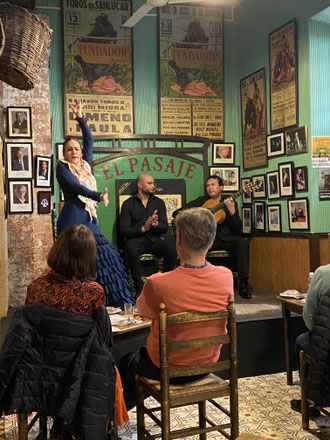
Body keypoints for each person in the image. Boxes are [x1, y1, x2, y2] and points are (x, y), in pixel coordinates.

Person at [118, 207, 233, 411]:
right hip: (206, 365)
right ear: (212, 241)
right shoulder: (226, 277)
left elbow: (143, 311)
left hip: (163, 368)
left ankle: (112, 423)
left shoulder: (158, 283)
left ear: (178, 239)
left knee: (128, 363)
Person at [25, 224, 109, 439]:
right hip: (77, 378)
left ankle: (59, 428)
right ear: (88, 256)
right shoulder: (93, 293)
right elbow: (101, 343)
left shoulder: (35, 287)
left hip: (38, 375)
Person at [56, 99, 133, 308]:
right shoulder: (62, 168)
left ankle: (107, 305)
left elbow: (89, 140)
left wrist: (80, 118)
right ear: (64, 154)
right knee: (74, 265)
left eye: (76, 149)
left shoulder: (85, 164)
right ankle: (76, 306)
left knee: (107, 256)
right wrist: (98, 195)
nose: (74, 152)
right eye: (69, 149)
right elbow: (74, 188)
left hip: (89, 219)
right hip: (72, 219)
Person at [173, 175, 251, 299]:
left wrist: (232, 212)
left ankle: (243, 283)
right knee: (192, 245)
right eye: (208, 185)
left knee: (242, 243)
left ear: (221, 187)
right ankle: (192, 281)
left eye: (213, 185)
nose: (209, 188)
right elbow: (177, 213)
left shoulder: (230, 201)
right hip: (206, 239)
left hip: (224, 238)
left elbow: (237, 228)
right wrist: (197, 214)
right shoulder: (201, 201)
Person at [119, 173, 177, 296]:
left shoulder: (159, 202)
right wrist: (143, 228)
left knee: (172, 248)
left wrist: (156, 225)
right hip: (136, 240)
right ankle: (139, 288)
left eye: (153, 183)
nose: (153, 186)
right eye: (149, 183)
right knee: (130, 247)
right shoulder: (128, 204)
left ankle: (165, 284)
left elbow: (165, 228)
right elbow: (124, 230)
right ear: (140, 185)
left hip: (154, 239)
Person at [291, 263, 330, 415]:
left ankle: (309, 401)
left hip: (325, 344)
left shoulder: (323, 273)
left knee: (301, 341)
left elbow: (309, 317)